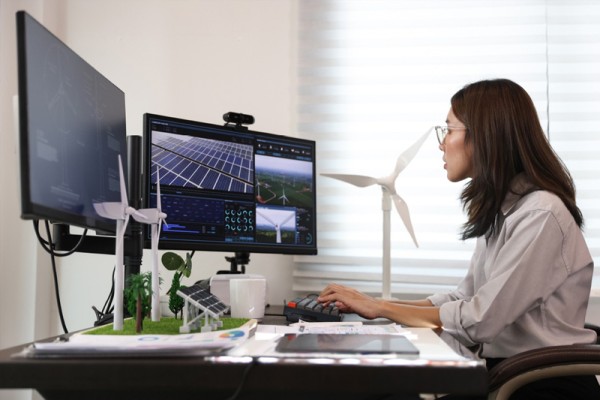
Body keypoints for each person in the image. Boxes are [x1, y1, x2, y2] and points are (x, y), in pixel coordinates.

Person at [318, 78, 600, 399]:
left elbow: (481, 319)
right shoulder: (504, 210)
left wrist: (380, 307)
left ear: (484, 136)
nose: (442, 143)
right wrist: (373, 304)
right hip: (512, 376)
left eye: (449, 130)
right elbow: (462, 298)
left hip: (540, 386)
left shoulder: (540, 214)